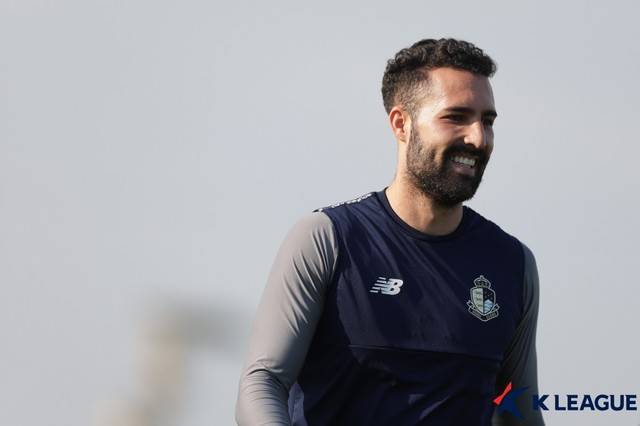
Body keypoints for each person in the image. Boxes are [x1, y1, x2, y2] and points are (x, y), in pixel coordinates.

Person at [235, 38, 544, 426]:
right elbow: (262, 383)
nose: (478, 138)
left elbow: (519, 412)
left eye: (487, 121)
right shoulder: (327, 239)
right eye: (456, 117)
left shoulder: (512, 264)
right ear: (401, 124)